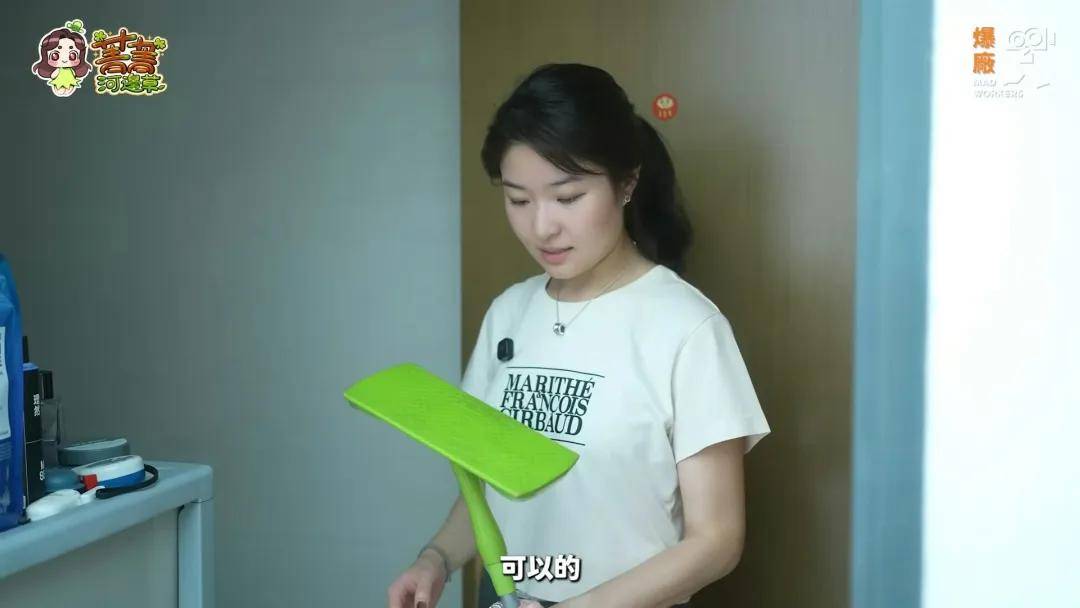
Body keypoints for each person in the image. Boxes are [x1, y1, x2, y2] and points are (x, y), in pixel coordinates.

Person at [387, 63, 770, 608]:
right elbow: (488, 488)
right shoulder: (508, 315)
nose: (541, 227)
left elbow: (717, 541)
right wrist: (436, 559)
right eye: (519, 200)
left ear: (626, 183)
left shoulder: (687, 329)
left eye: (567, 198)